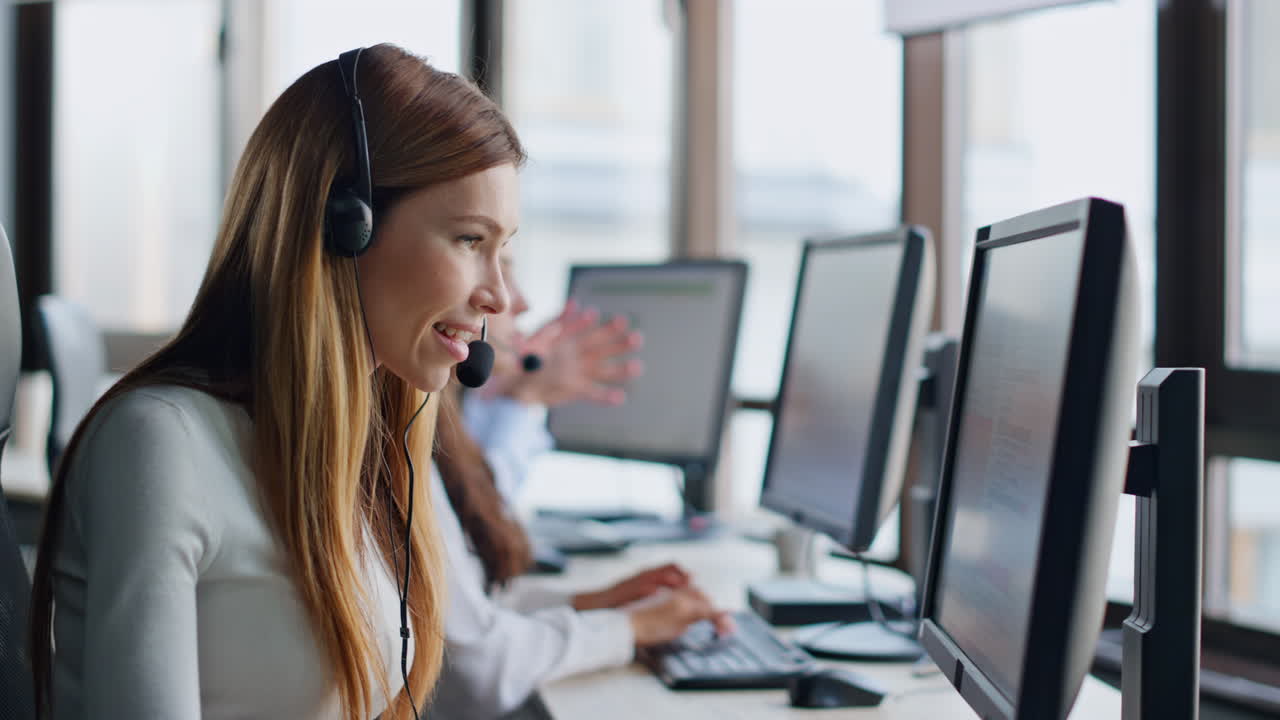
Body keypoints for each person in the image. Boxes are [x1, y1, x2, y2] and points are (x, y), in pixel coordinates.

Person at [27, 44, 521, 720]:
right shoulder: (160, 443)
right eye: (470, 240)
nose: (500, 294)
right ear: (347, 225)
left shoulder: (370, 453)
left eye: (505, 250)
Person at [428, 262, 734, 719]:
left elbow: (467, 601)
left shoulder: (430, 430)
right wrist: (631, 627)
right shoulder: (404, 448)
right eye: (475, 246)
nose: (520, 302)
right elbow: (475, 666)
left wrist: (591, 602)